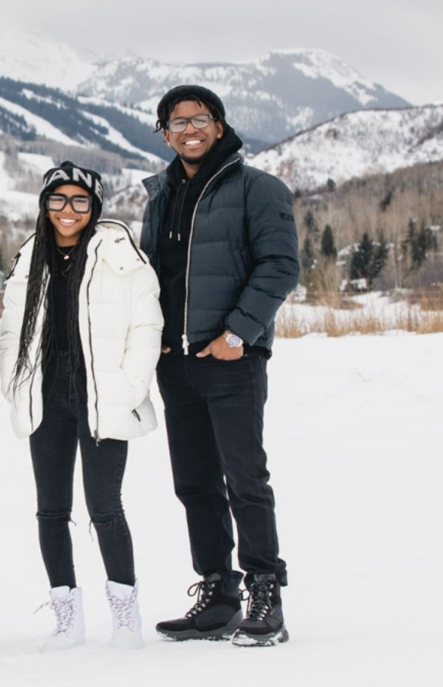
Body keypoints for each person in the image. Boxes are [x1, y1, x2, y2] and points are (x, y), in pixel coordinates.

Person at [140, 85, 299, 647]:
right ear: (164, 133)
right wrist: (151, 336)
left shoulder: (257, 188)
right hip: (176, 365)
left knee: (245, 480)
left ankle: (264, 590)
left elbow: (280, 266)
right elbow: (149, 278)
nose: (189, 129)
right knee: (194, 484)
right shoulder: (159, 194)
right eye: (177, 121)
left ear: (219, 124)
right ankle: (218, 591)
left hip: (231, 360)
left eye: (200, 118)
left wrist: (239, 333)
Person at [0, 162, 163, 651]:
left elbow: (145, 327)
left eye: (79, 201)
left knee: (105, 507)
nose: (67, 211)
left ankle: (125, 614)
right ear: (44, 205)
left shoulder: (121, 255)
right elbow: (10, 330)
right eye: (57, 200)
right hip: (46, 395)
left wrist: (129, 387)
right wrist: (15, 381)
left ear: (94, 207)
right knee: (51, 511)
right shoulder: (32, 257)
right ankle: (67, 616)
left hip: (103, 395)